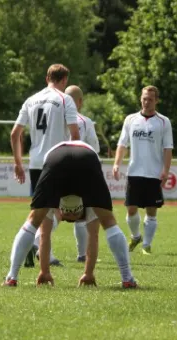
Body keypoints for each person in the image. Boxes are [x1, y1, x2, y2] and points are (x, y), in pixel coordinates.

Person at [2, 140, 138, 289]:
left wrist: (44, 271)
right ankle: (127, 279)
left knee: (33, 220)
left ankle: (11, 277)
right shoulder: (89, 205)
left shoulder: (53, 205)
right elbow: (94, 236)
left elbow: (44, 235)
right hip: (87, 158)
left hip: (56, 158)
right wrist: (88, 273)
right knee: (109, 222)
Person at [9, 63, 80, 268]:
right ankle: (34, 243)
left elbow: (15, 134)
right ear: (64, 80)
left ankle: (43, 253)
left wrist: (18, 163)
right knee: (64, 210)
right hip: (58, 161)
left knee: (42, 209)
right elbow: (75, 134)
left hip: (36, 163)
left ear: (46, 77)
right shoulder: (65, 99)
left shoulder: (31, 100)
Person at [112, 85, 173, 255]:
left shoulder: (163, 122)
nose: (147, 102)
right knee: (131, 209)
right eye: (144, 98)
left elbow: (168, 148)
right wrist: (117, 163)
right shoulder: (130, 120)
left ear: (156, 101)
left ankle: (146, 244)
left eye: (150, 99)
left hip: (154, 173)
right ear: (141, 99)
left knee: (151, 211)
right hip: (134, 172)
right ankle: (136, 236)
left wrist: (166, 170)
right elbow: (122, 144)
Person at [64, 85, 100, 262]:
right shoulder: (85, 121)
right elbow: (94, 149)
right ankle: (82, 254)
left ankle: (38, 244)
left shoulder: (54, 117)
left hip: (53, 167)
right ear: (80, 102)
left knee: (50, 211)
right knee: (81, 213)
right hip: (79, 170)